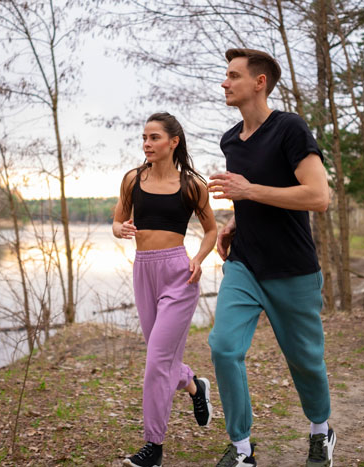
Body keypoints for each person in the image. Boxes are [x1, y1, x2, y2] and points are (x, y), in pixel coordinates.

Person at [207, 49, 336, 467]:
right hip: (245, 263)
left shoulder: (290, 129)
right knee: (224, 348)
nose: (224, 83)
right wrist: (235, 222)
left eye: (233, 76)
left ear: (259, 83)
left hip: (292, 268)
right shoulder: (230, 139)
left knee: (305, 360)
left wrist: (248, 192)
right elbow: (251, 195)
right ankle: (242, 448)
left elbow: (319, 196)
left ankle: (321, 430)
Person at [113, 112, 218, 467]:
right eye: (144, 137)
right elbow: (116, 220)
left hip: (178, 274)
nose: (146, 144)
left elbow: (211, 231)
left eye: (154, 137)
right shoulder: (132, 179)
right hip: (143, 271)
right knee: (164, 360)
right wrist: (120, 229)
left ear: (173, 142)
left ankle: (153, 448)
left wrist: (199, 259)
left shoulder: (192, 185)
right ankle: (193, 386)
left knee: (156, 361)